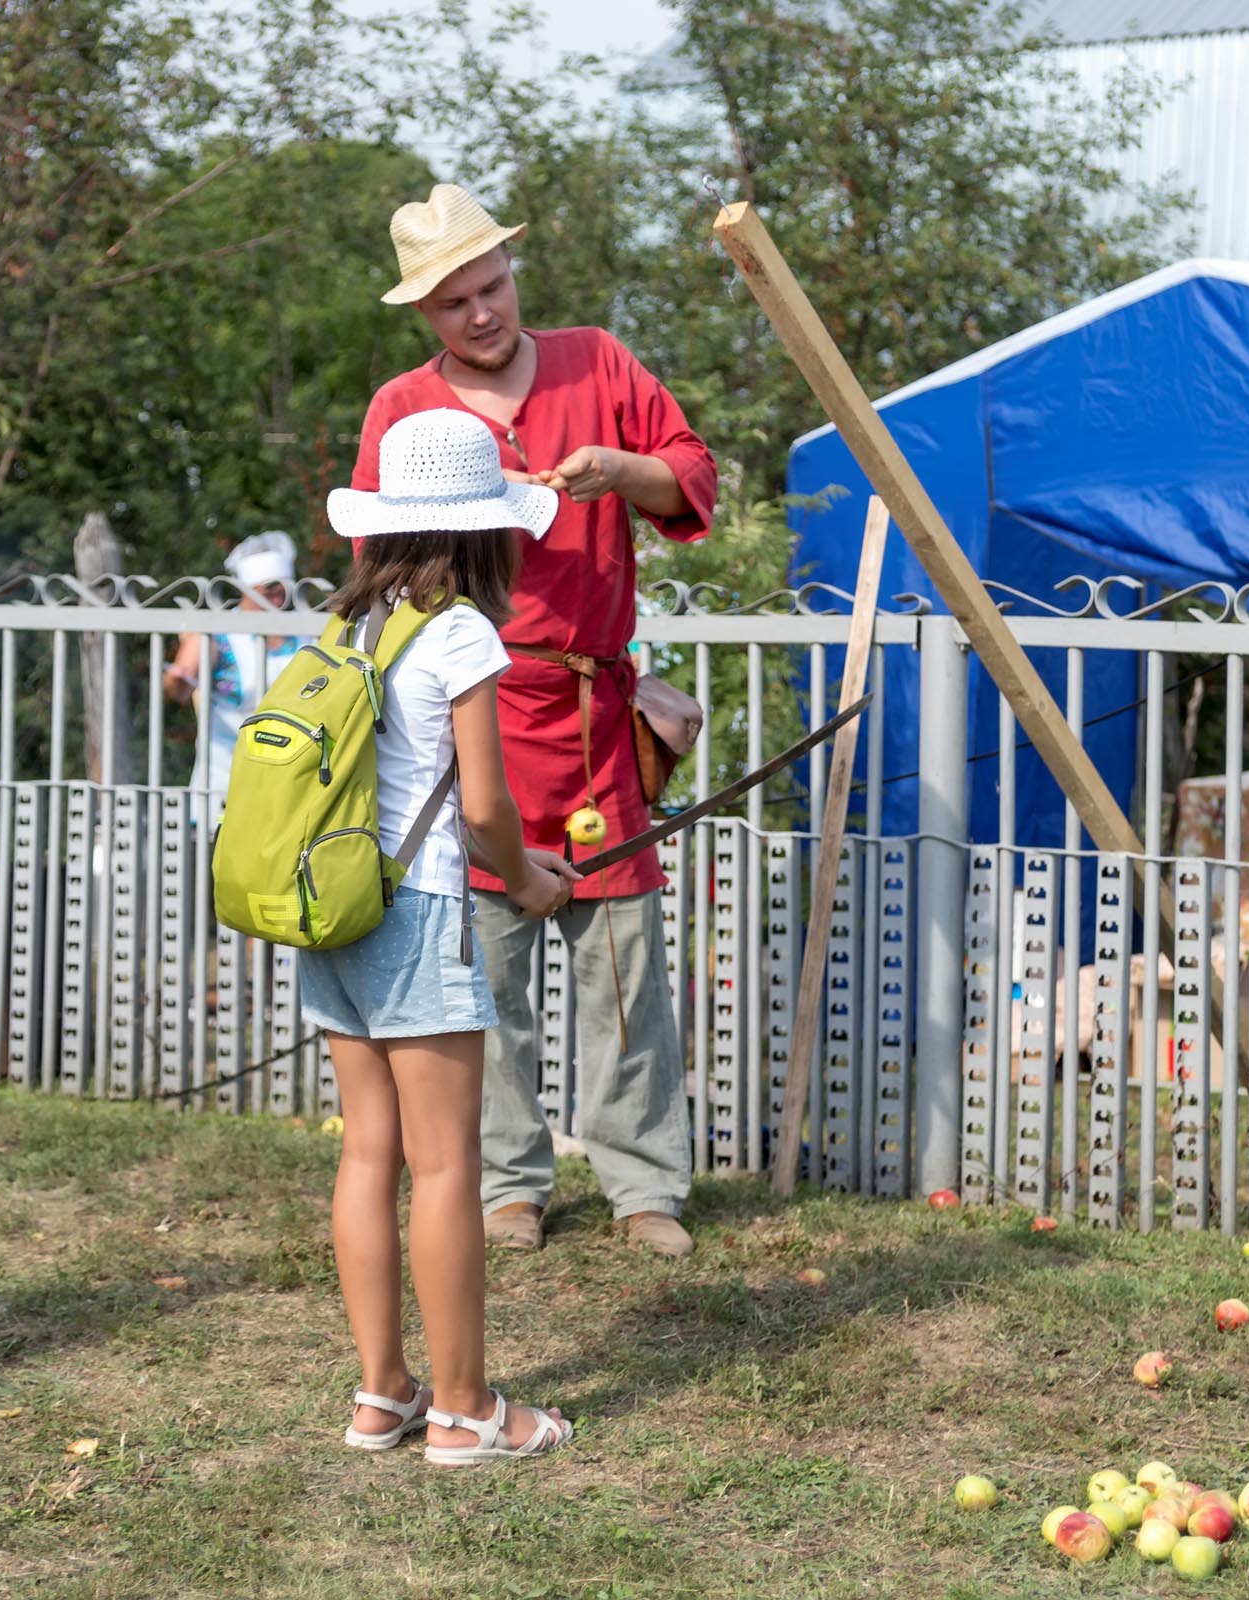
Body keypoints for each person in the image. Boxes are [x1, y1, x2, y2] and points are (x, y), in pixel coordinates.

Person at [355, 184, 718, 1258]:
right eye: (455, 300)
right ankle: (508, 1182)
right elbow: (377, 562)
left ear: (513, 274)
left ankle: (645, 1184)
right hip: (474, 720)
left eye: (493, 285)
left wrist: (622, 471)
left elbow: (692, 477)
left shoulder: (600, 363)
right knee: (483, 975)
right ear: (425, 313)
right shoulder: (400, 411)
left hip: (594, 717)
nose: (481, 312)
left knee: (625, 972)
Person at [311, 407, 580, 1465]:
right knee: (447, 1165)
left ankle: (383, 1396)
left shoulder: (346, 623)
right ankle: (469, 1411)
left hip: (337, 910)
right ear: (486, 531)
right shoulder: (462, 631)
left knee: (369, 1153)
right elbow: (481, 807)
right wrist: (527, 881)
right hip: (422, 913)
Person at [163, 531, 301, 826]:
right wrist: (179, 680)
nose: (278, 595)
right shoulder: (219, 631)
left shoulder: (304, 634)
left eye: (283, 588)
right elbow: (180, 682)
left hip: (289, 780)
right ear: (248, 589)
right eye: (269, 588)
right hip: (224, 780)